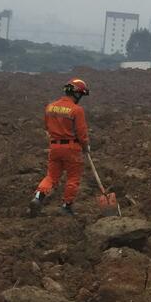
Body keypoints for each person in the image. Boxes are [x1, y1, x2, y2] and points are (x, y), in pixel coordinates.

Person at [30, 78, 91, 217]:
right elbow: (82, 133)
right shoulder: (77, 110)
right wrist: (86, 146)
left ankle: (38, 197)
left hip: (54, 147)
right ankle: (66, 206)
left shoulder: (50, 107)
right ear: (77, 94)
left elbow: (46, 127)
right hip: (72, 148)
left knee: (51, 176)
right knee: (73, 177)